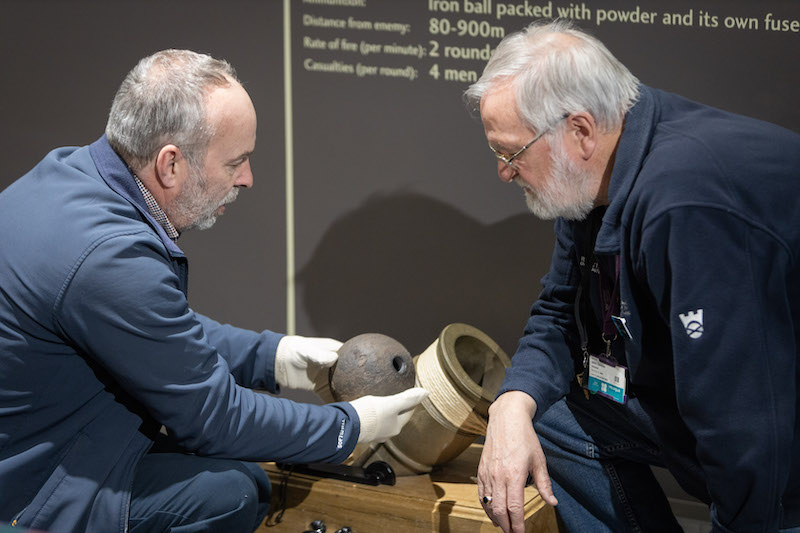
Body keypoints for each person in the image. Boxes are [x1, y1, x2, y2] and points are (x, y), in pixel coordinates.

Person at [0, 49, 428, 533]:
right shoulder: (109, 256)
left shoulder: (67, 175)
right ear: (171, 165)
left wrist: (274, 356)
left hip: (46, 445)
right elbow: (212, 417)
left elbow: (145, 327)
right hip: (28, 492)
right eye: (236, 162)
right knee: (232, 493)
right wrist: (348, 427)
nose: (247, 178)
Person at [464, 20, 800, 533]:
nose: (504, 172)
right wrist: (510, 408)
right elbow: (558, 310)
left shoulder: (687, 203)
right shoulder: (590, 169)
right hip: (708, 400)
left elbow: (740, 419)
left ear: (578, 130)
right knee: (543, 414)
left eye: (511, 153)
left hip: (776, 431)